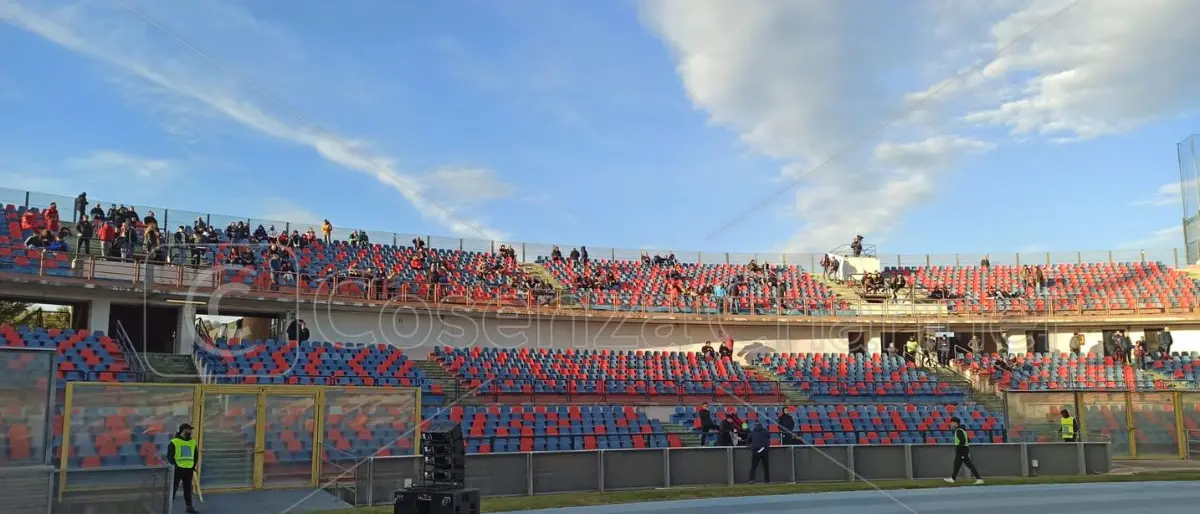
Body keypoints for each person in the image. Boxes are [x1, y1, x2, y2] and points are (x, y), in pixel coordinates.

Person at [167, 423, 200, 513]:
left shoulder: (192, 441)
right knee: (173, 489)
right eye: (189, 429)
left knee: (188, 489)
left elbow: (195, 456)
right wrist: (175, 466)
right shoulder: (174, 441)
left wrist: (193, 466)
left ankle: (189, 507)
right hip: (178, 469)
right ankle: (168, 508)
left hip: (189, 469)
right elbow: (170, 456)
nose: (190, 431)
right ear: (183, 430)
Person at [943, 417, 983, 485]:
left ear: (955, 423)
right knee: (956, 465)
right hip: (963, 450)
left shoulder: (958, 430)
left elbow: (963, 441)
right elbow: (967, 439)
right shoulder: (962, 430)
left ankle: (979, 479)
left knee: (969, 465)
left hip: (962, 450)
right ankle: (953, 478)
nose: (950, 424)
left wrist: (958, 447)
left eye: (951, 422)